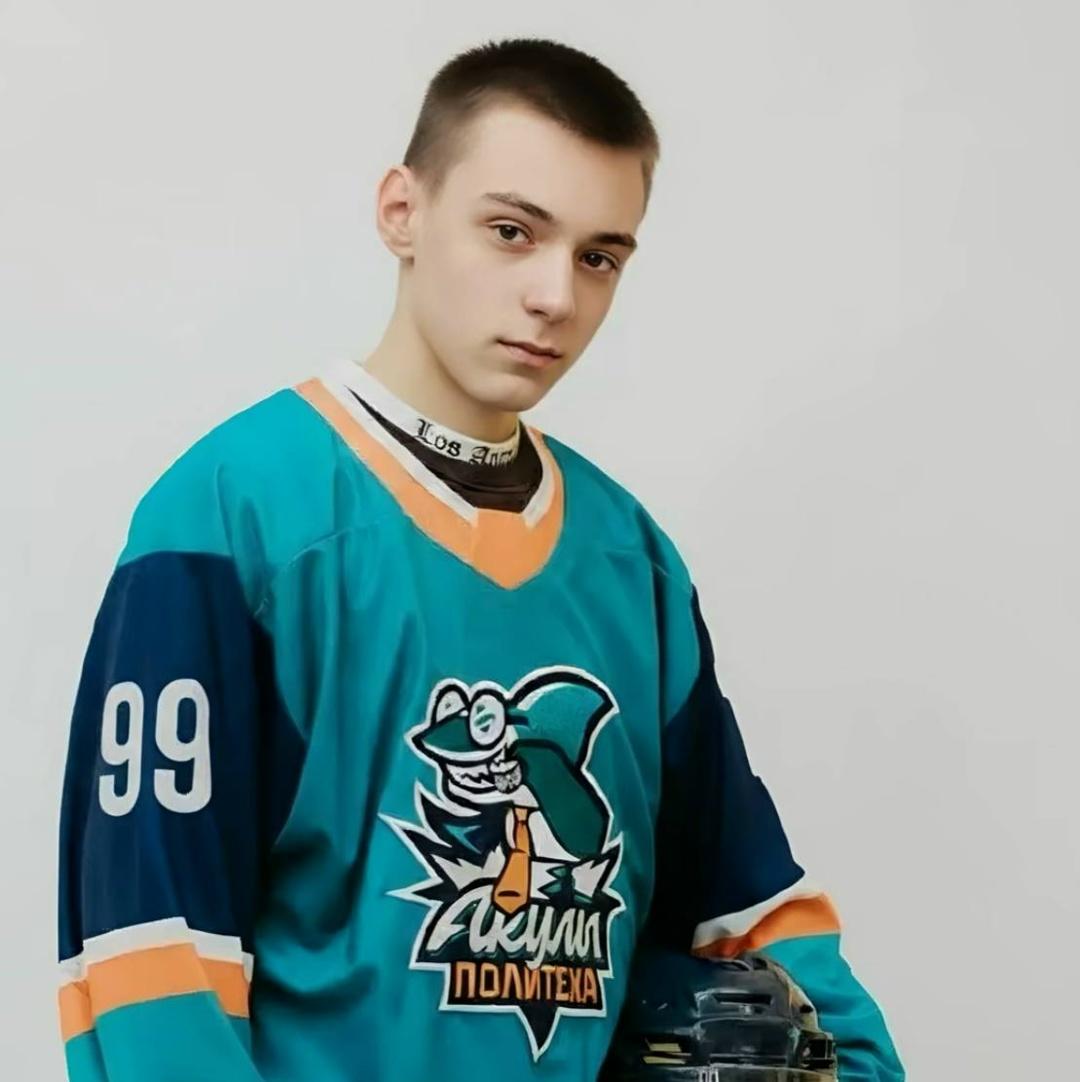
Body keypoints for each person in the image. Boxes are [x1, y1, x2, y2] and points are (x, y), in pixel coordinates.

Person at [55, 37, 905, 1082]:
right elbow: (151, 956)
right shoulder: (234, 517)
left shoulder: (631, 561)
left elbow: (744, 905)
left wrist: (864, 1067)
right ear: (402, 211)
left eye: (599, 256)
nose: (556, 295)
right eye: (512, 232)